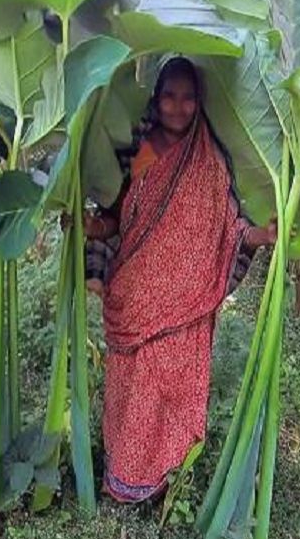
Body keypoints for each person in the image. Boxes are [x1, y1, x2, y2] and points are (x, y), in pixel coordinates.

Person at [83, 56, 276, 503]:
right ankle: (124, 478)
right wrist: (92, 229)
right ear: (156, 96)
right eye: (169, 95)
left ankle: (166, 481)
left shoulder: (211, 157)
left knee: (171, 391)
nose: (178, 106)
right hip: (135, 292)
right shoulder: (134, 148)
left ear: (200, 102)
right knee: (133, 389)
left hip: (186, 301)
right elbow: (113, 217)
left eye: (188, 97)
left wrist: (262, 235)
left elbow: (230, 228)